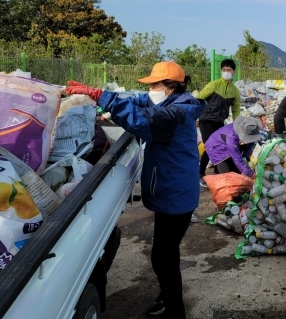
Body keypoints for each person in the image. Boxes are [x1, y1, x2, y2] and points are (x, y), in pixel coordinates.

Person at [64, 61, 205, 319]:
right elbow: (139, 101)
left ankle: (175, 312)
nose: (150, 88)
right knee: (166, 255)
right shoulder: (171, 103)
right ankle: (168, 295)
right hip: (172, 191)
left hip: (175, 196)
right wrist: (103, 95)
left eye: (154, 84)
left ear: (171, 87)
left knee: (163, 258)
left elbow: (141, 120)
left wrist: (100, 97)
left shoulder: (173, 115)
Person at [196, 59, 241, 187]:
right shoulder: (213, 85)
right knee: (210, 146)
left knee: (223, 146)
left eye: (229, 70)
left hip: (219, 122)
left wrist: (237, 127)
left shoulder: (235, 91)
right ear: (221, 71)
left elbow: (236, 110)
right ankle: (200, 174)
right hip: (206, 120)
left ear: (234, 72)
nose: (226, 72)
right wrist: (195, 116)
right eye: (224, 70)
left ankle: (219, 172)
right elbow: (199, 98)